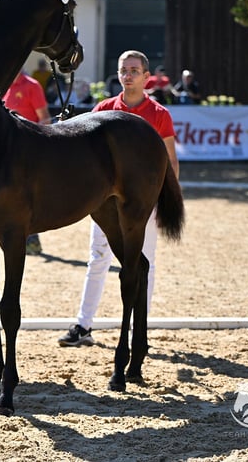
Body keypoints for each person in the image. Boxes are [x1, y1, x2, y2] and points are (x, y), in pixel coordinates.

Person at [58, 50, 179, 347]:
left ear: (147, 77)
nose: (128, 75)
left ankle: (140, 329)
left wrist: (162, 199)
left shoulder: (159, 115)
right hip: (104, 201)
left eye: (134, 70)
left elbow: (170, 161)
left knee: (144, 262)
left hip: (143, 202)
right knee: (98, 258)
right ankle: (83, 325)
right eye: (124, 70)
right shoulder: (104, 108)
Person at [2, 70, 51, 256]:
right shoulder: (3, 85)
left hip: (28, 151)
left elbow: (44, 118)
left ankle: (31, 239)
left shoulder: (32, 86)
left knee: (26, 197)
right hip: (6, 152)